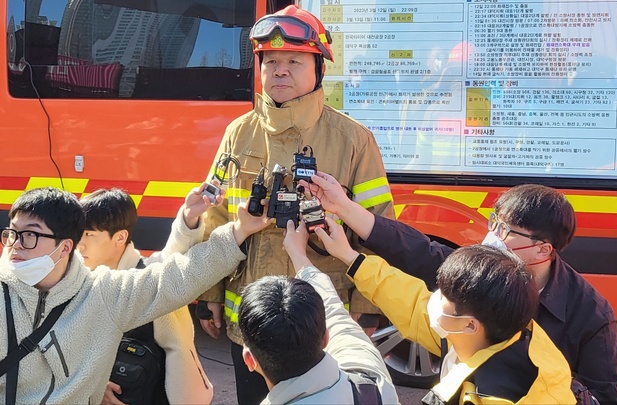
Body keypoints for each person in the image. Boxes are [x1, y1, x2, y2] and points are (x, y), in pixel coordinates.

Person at [195, 5, 394, 403]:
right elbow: (214, 217)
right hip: (250, 318)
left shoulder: (354, 140)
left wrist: (368, 306)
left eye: (293, 60)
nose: (279, 70)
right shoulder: (239, 133)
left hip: (319, 322)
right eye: (270, 61)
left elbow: (377, 226)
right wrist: (210, 295)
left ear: (318, 68)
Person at [300, 172, 617, 405]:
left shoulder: (591, 315)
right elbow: (416, 257)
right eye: (494, 222)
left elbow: (608, 396)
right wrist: (343, 210)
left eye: (508, 230)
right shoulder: (481, 272)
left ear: (543, 250)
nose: (494, 235)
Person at [0, 184, 271, 403]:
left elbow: (178, 273)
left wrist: (240, 230)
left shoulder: (102, 292)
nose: (16, 246)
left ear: (64, 247)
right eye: (11, 234)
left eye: (30, 235)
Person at [296, 218, 574, 404]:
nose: (434, 300)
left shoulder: (486, 396)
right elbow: (409, 301)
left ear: (469, 325)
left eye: (444, 298)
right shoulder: (512, 334)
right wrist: (349, 257)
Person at [234, 220, 399, 404]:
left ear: (249, 360)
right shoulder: (373, 384)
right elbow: (336, 315)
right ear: (326, 338)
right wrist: (298, 253)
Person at [78, 188, 212, 405]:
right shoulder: (77, 283)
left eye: (88, 235)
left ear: (120, 237)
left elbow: (176, 258)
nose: (79, 243)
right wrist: (93, 385)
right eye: (77, 233)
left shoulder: (148, 275)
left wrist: (189, 216)